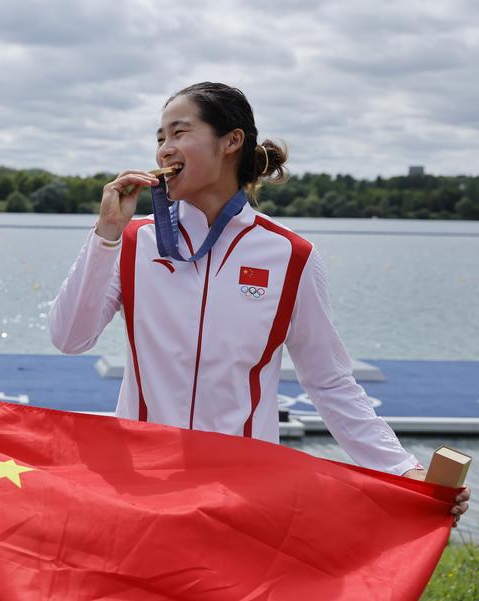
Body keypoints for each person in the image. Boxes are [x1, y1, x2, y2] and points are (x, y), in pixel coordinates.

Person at [48, 82, 469, 524]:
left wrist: (403, 471)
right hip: (139, 488)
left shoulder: (289, 255)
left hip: (243, 498)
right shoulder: (133, 242)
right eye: (159, 138)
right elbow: (70, 338)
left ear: (231, 142)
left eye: (179, 133)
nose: (164, 150)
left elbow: (329, 383)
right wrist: (106, 234)